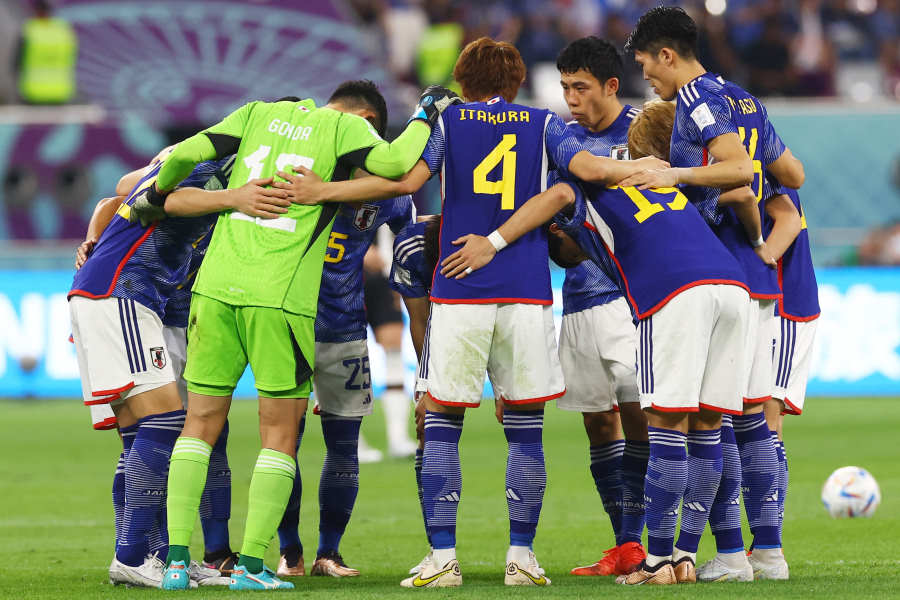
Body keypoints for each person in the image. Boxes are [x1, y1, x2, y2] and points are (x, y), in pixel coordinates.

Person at [272, 37, 665, 589]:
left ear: (462, 80)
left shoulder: (449, 122)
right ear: (515, 80)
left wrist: (323, 190)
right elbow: (588, 170)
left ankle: (443, 558)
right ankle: (522, 558)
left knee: (444, 426)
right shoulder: (543, 123)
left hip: (459, 289)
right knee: (527, 431)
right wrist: (648, 168)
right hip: (527, 292)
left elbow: (406, 182)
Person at [132, 82, 456, 591]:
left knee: (199, 425)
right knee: (279, 435)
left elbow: (189, 151)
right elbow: (395, 165)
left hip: (215, 289)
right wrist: (426, 112)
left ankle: (175, 562)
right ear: (365, 117)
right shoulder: (343, 128)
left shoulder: (258, 112)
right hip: (279, 297)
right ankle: (254, 569)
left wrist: (157, 193)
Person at [441, 99, 751, 587]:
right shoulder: (667, 184)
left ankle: (655, 563)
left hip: (673, 292)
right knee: (708, 425)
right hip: (733, 288)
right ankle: (687, 558)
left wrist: (493, 242)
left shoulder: (588, 184)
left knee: (665, 428)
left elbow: (554, 199)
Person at [622, 6, 804, 582]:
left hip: (715, 270)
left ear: (667, 54)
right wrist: (764, 239)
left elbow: (740, 170)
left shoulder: (697, 101)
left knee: (712, 420)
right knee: (749, 418)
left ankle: (729, 554)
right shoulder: (744, 99)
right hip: (757, 280)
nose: (647, 76)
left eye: (647, 63)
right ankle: (767, 552)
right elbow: (791, 175)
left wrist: (674, 175)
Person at [68, 152, 269, 588]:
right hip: (122, 291)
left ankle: (154, 556)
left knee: (143, 435)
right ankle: (132, 556)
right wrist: (94, 240)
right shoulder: (213, 165)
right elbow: (151, 195)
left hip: (136, 301)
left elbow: (118, 193)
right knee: (164, 423)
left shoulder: (230, 172)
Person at [269, 82, 418, 580]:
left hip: (345, 329)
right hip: (285, 324)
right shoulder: (292, 171)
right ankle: (289, 551)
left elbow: (411, 242)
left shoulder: (387, 191)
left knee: (343, 447)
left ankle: (328, 552)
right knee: (282, 442)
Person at [553, 36, 648, 578]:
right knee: (597, 424)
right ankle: (624, 544)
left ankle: (653, 541)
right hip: (578, 300)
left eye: (580, 87)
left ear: (611, 86)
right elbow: (563, 239)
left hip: (631, 298)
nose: (570, 98)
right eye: (565, 87)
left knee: (643, 417)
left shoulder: (644, 130)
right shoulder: (559, 140)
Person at [764, 187, 819, 562]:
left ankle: (770, 548)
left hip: (784, 308)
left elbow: (787, 222)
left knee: (766, 424)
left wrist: (758, 260)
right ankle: (764, 545)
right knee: (752, 426)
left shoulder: (765, 173)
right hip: (770, 306)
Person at [16, 0, 77, 104]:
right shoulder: (64, 32)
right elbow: (74, 59)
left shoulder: (30, 31)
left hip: (33, 92)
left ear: (36, 12)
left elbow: (16, 63)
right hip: (60, 91)